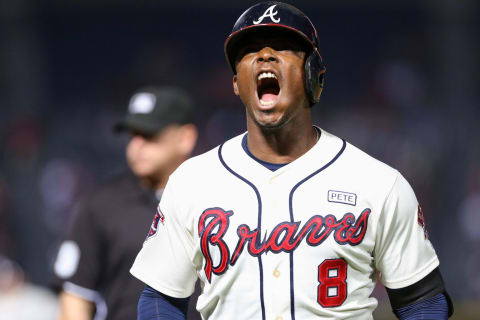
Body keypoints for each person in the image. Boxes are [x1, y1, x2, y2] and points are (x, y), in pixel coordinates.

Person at [130, 2, 454, 319]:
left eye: (284, 47)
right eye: (250, 50)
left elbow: (422, 302)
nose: (265, 56)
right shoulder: (193, 182)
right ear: (235, 83)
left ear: (314, 76)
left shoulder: (379, 183)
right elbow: (161, 299)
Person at [51, 86, 200, 320]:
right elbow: (75, 296)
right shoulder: (101, 205)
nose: (137, 145)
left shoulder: (215, 197)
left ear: (186, 138)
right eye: (133, 134)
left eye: (150, 134)